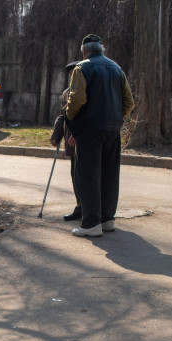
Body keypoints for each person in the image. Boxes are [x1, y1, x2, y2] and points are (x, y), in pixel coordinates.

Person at [66, 34, 134, 237]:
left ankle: (91, 223)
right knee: (109, 174)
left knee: (88, 174)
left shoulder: (82, 68)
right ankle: (107, 220)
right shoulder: (117, 68)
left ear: (84, 50)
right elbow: (129, 102)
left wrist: (70, 116)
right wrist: (114, 118)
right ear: (101, 49)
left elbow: (77, 98)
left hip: (89, 129)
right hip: (112, 129)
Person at [50, 61, 81, 221]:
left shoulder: (85, 91)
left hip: (82, 139)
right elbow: (62, 116)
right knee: (75, 175)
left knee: (85, 176)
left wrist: (77, 134)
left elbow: (85, 116)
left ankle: (90, 209)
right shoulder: (66, 93)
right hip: (70, 141)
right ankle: (80, 207)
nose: (72, 77)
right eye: (70, 75)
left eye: (74, 73)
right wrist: (56, 135)